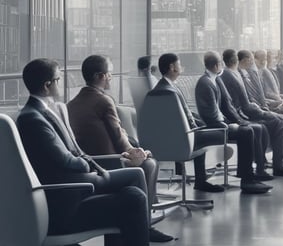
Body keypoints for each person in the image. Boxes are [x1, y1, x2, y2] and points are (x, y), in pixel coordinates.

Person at [16, 58, 150, 246]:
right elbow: (64, 158)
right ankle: (145, 229)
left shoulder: (43, 111)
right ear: (48, 85)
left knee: (132, 194)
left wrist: (85, 161)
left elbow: (70, 151)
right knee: (134, 189)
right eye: (59, 79)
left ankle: (139, 229)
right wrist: (86, 165)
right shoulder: (33, 118)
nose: (61, 82)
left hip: (71, 184)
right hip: (66, 195)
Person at [67, 55, 173, 242]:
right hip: (109, 163)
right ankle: (145, 225)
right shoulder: (103, 100)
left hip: (92, 163)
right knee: (149, 164)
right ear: (100, 76)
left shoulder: (71, 104)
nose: (111, 78)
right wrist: (137, 152)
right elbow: (118, 136)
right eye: (109, 74)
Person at [194, 51, 273, 194]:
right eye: (221, 63)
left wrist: (237, 121)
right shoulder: (205, 83)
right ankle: (247, 180)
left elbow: (226, 106)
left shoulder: (215, 79)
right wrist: (228, 124)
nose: (223, 65)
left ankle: (252, 174)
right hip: (213, 127)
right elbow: (210, 115)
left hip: (220, 123)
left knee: (251, 128)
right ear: (217, 65)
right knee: (247, 131)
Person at [219, 49, 283, 177]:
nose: (253, 62)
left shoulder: (235, 74)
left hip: (248, 112)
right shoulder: (233, 75)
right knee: (281, 122)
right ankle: (276, 165)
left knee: (282, 120)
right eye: (252, 58)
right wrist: (264, 113)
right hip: (245, 114)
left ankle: (276, 163)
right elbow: (245, 105)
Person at [153, 53, 225, 193]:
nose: (182, 67)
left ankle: (200, 179)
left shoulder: (164, 87)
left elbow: (183, 114)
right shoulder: (169, 91)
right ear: (172, 67)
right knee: (221, 134)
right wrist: (197, 127)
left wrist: (199, 124)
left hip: (176, 135)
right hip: (180, 138)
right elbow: (178, 118)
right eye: (179, 64)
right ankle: (201, 179)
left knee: (206, 133)